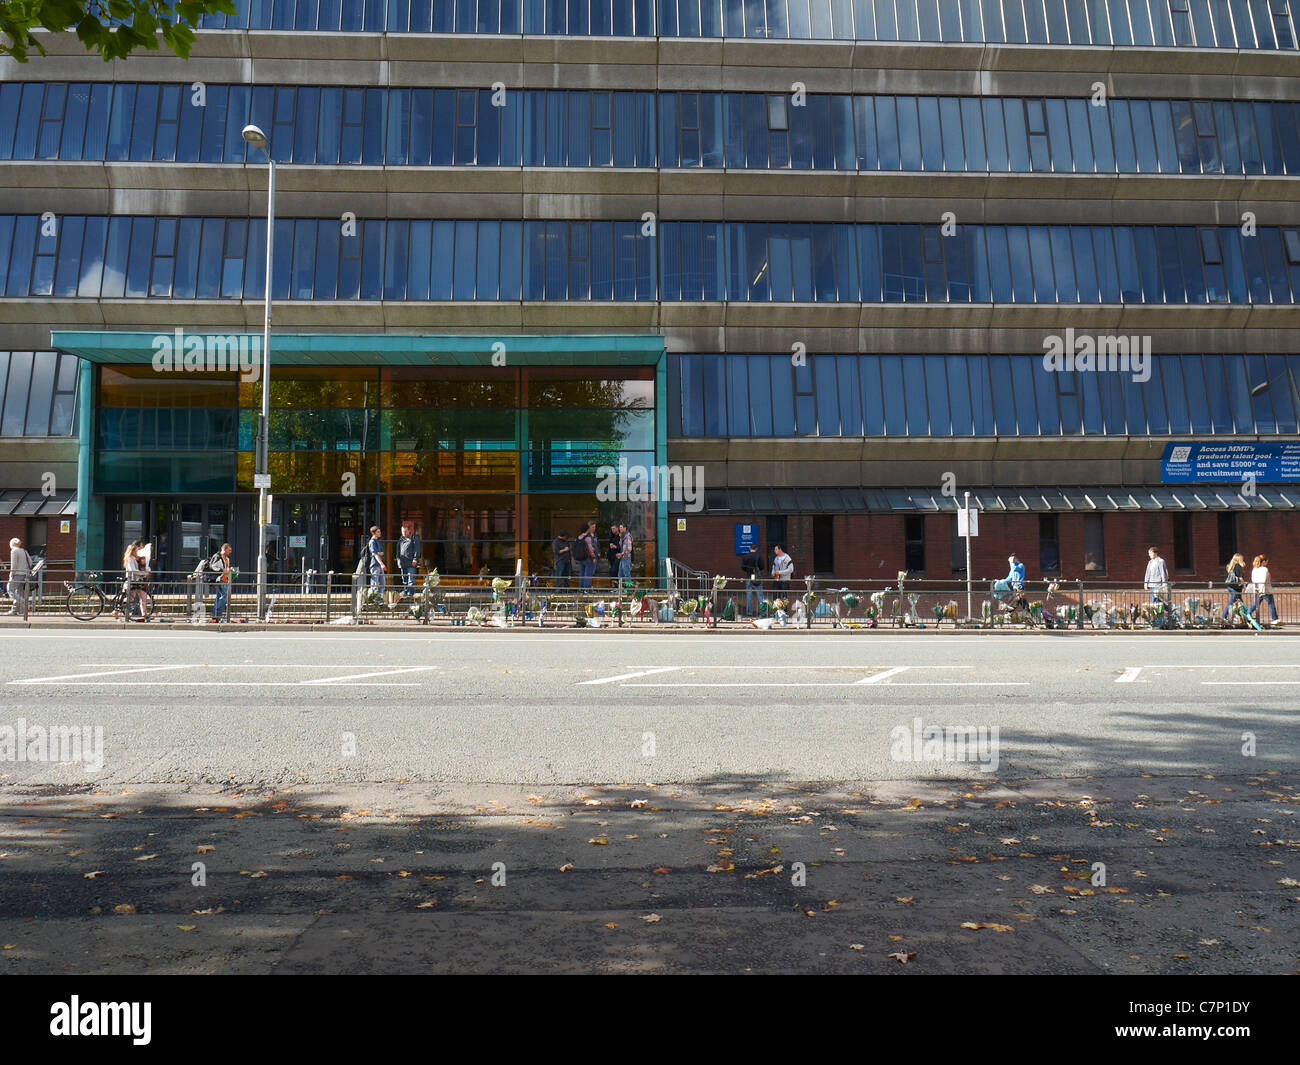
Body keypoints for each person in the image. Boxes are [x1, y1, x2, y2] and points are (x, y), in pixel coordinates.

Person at [121, 540, 150, 620]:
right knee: (131, 598)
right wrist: (143, 574)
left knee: (141, 597)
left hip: (137, 581)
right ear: (132, 551)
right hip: (133, 581)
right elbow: (132, 570)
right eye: (136, 551)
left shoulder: (134, 558)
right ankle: (118, 610)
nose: (137, 552)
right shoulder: (130, 559)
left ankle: (144, 614)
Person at [1249, 554, 1279, 626]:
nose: (1267, 563)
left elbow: (1253, 580)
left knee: (1255, 604)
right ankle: (1275, 619)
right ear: (1264, 562)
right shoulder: (1264, 569)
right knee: (1271, 604)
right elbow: (1263, 580)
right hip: (1265, 590)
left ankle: (1247, 613)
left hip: (1257, 589)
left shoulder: (1254, 569)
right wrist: (1262, 590)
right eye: (1266, 562)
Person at [6, 537, 32, 616]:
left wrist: (11, 574)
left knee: (10, 589)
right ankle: (15, 610)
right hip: (25, 575)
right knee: (19, 592)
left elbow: (14, 565)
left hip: (17, 574)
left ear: (12, 544)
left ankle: (24, 601)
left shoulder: (14, 551)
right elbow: (30, 562)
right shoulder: (24, 551)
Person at [208, 543, 233, 622]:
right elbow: (212, 566)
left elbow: (226, 568)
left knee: (220, 596)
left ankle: (215, 614)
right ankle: (216, 613)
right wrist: (222, 570)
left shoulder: (227, 559)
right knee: (224, 595)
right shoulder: (217, 556)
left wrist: (230, 570)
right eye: (229, 550)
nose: (230, 552)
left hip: (225, 579)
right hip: (219, 578)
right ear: (224, 549)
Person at [396, 522, 421, 599]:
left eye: (405, 531)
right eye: (402, 531)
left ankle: (410, 594)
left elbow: (417, 550)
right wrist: (398, 561)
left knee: (411, 579)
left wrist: (415, 559)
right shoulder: (400, 540)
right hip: (403, 563)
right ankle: (406, 592)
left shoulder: (414, 538)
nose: (404, 533)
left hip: (411, 562)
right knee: (404, 579)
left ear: (409, 531)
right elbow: (398, 551)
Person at [740, 543, 765, 617]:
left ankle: (749, 612)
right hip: (757, 578)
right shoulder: (759, 556)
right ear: (756, 548)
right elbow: (762, 567)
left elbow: (742, 567)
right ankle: (763, 613)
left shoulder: (746, 556)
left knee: (749, 595)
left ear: (750, 548)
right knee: (760, 595)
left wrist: (748, 570)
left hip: (749, 577)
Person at [1223, 552, 1247, 620]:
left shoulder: (1231, 566)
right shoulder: (1237, 566)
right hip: (1235, 588)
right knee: (1232, 601)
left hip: (1230, 586)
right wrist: (1244, 585)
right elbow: (1240, 578)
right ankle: (1224, 616)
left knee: (1239, 602)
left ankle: (1242, 616)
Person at [576, 521, 598, 589]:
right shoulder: (588, 537)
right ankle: (587, 588)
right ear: (587, 529)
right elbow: (590, 549)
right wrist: (594, 557)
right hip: (587, 558)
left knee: (581, 573)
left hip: (580, 558)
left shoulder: (579, 537)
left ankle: (581, 588)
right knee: (588, 574)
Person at [367, 526, 386, 592]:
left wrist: (378, 553)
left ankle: (379, 600)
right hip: (375, 565)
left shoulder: (378, 541)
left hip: (379, 565)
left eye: (379, 531)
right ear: (373, 533)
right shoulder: (372, 542)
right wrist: (382, 564)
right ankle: (373, 600)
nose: (380, 533)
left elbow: (382, 553)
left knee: (382, 584)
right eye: (378, 532)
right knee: (374, 584)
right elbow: (375, 554)